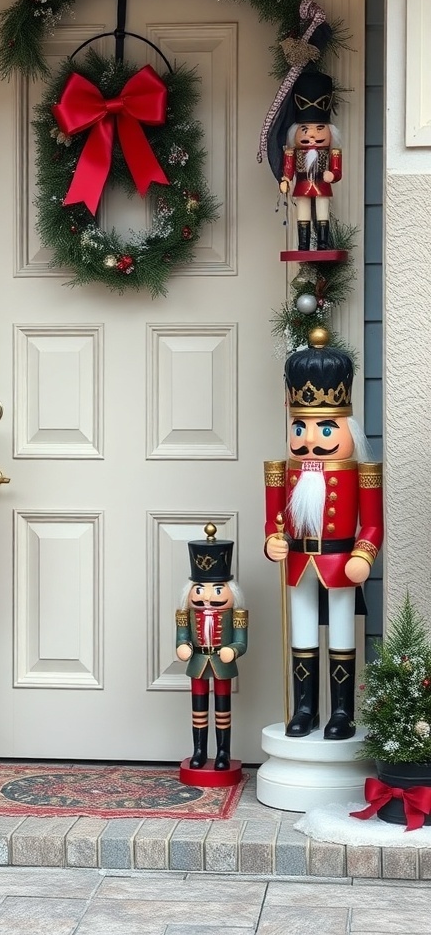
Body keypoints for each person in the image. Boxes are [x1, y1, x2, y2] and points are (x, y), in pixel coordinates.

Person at [264, 328, 383, 739]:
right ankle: (305, 709)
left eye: (326, 429)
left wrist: (363, 554)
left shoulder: (362, 473)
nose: (311, 441)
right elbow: (273, 519)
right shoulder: (282, 471)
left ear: (347, 427)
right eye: (300, 428)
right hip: (299, 562)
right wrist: (273, 541)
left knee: (342, 635)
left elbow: (372, 524)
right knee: (302, 634)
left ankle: (342, 713)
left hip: (340, 561)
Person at [176, 523, 248, 770]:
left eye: (217, 590)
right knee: (198, 710)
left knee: (222, 710)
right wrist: (182, 645)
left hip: (221, 664)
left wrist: (234, 649)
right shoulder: (186, 613)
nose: (206, 596)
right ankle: (198, 751)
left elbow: (241, 641)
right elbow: (182, 636)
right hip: (197, 663)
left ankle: (223, 753)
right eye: (199, 589)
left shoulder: (235, 614)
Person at [279, 69, 342, 252]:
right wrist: (286, 180)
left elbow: (337, 171)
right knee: (303, 213)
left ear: (330, 132)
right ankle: (303, 245)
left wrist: (333, 174)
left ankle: (323, 244)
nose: (312, 134)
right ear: (296, 132)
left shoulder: (334, 152)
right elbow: (288, 171)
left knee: (323, 212)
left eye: (320, 128)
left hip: (322, 185)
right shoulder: (292, 152)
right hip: (302, 185)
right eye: (305, 129)